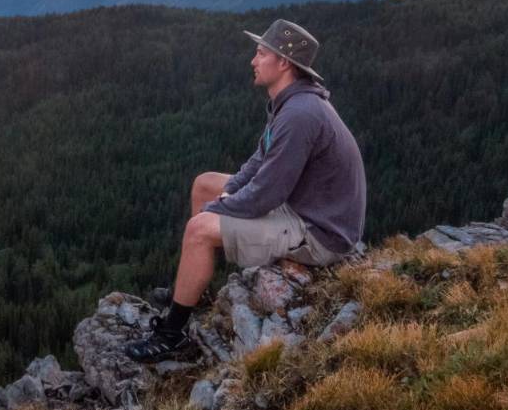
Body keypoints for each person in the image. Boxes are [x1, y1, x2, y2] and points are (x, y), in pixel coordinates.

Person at [124, 19, 366, 363]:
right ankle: (197, 288)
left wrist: (222, 209)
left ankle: (171, 334)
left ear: (283, 62)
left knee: (198, 230)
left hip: (320, 232)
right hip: (304, 207)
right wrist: (225, 195)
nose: (253, 60)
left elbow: (266, 194)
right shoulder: (289, 104)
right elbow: (257, 164)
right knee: (204, 183)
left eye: (260, 53)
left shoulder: (300, 114)